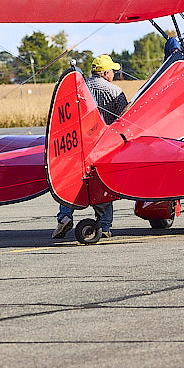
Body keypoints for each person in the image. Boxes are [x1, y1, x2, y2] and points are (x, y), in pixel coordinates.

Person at [53, 54, 129, 240]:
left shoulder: (78, 87)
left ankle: (65, 216)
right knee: (103, 185)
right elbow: (124, 119)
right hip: (103, 144)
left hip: (77, 145)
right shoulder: (115, 91)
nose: (113, 74)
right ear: (105, 73)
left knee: (71, 180)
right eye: (112, 71)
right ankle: (104, 226)